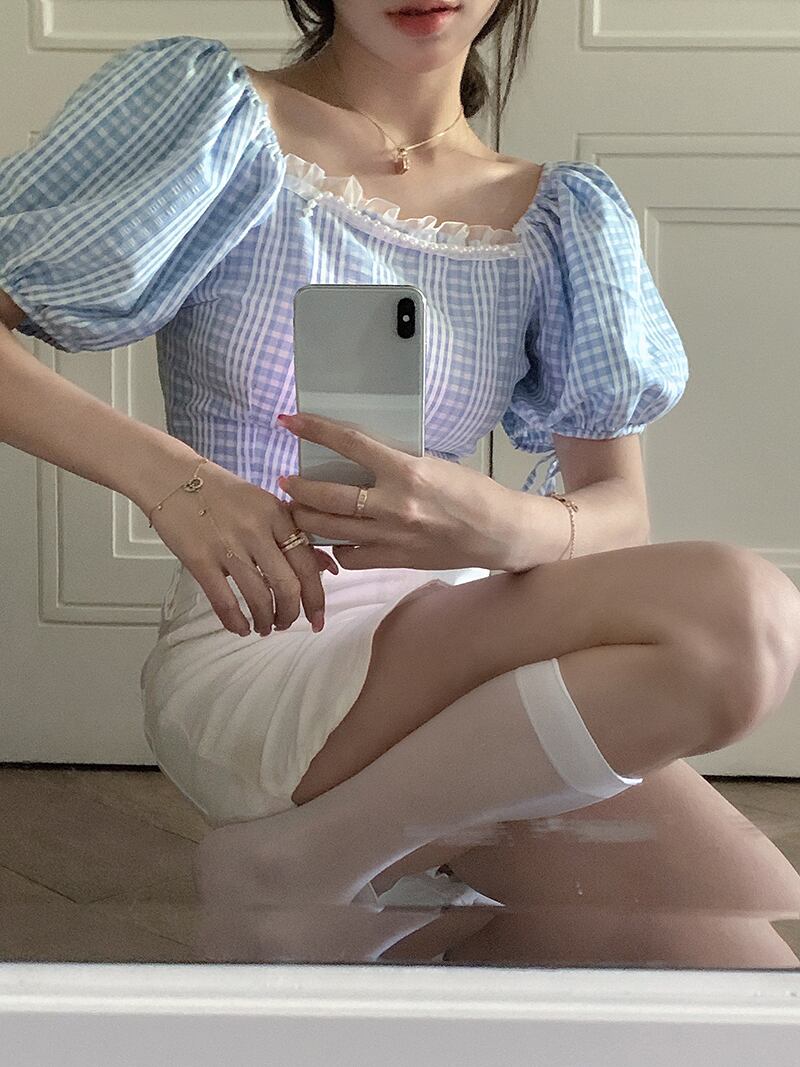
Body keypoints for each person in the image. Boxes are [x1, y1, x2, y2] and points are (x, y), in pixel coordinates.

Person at [2, 2, 799, 954]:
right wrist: (179, 483)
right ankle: (307, 864)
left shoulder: (562, 218)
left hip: (468, 635)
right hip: (274, 632)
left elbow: (619, 510)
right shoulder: (216, 118)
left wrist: (502, 524)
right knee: (742, 617)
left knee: (752, 949)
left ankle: (354, 893)